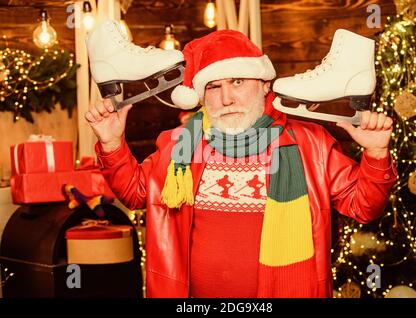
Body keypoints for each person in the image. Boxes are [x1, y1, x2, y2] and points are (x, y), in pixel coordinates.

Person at [85, 30, 397, 298]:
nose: (226, 98)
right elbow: (137, 194)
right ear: (201, 95)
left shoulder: (309, 144)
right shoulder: (180, 143)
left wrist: (376, 154)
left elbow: (364, 207)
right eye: (213, 87)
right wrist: (112, 143)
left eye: (237, 81)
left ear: (265, 84)